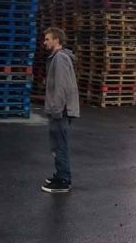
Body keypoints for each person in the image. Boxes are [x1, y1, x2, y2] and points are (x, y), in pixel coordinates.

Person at [41, 27, 80, 194]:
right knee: (56, 145)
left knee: (60, 145)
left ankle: (64, 180)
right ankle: (60, 174)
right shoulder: (55, 58)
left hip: (60, 110)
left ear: (57, 40)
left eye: (47, 39)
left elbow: (62, 87)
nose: (45, 42)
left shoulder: (60, 59)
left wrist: (56, 110)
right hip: (57, 109)